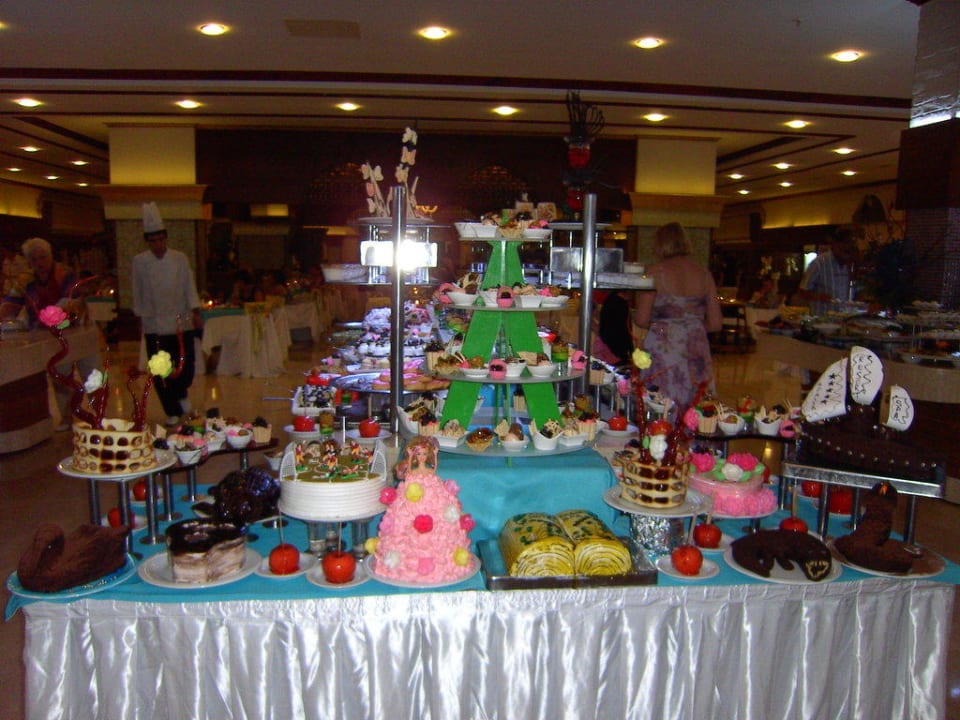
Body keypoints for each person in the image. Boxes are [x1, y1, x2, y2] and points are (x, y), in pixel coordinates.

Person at [0, 237, 98, 429]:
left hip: (76, 331)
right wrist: (5, 312)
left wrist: (53, 313)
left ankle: (100, 414)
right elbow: (10, 303)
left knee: (92, 375)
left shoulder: (65, 274)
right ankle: (66, 418)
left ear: (51, 256)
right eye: (34, 259)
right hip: (49, 336)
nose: (39, 263)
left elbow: (71, 301)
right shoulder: (25, 279)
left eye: (43, 258)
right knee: (59, 375)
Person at [633, 222, 722, 410]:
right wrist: (691, 326)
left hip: (665, 346)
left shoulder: (654, 273)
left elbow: (641, 319)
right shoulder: (704, 274)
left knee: (661, 403)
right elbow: (716, 323)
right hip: (696, 346)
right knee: (697, 403)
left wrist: (666, 326)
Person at [131, 202, 203, 426]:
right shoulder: (140, 262)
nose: (158, 245)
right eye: (153, 241)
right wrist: (140, 318)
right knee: (161, 370)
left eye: (161, 240)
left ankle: (181, 393)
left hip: (181, 321)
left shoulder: (179, 258)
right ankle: (171, 409)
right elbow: (137, 291)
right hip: (155, 324)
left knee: (186, 367)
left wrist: (196, 311)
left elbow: (189, 285)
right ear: (147, 242)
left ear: (166, 238)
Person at [796, 229, 858, 315]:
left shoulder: (849, 264)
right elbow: (802, 292)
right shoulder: (819, 263)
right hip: (822, 319)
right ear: (835, 245)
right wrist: (820, 297)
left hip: (844, 318)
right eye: (844, 246)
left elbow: (853, 293)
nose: (847, 251)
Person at [592, 290, 633, 366]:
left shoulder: (615, 302)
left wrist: (588, 319)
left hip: (612, 355)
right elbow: (606, 322)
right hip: (619, 352)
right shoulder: (617, 301)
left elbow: (606, 330)